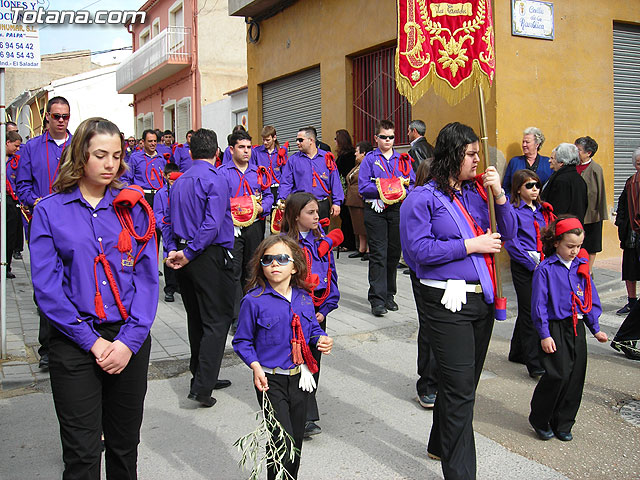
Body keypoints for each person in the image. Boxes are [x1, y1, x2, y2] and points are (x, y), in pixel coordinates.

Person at [29, 117, 158, 478]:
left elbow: (148, 282)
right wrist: (94, 344)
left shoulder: (133, 207)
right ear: (80, 156)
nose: (109, 164)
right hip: (74, 341)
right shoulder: (49, 211)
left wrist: (128, 342)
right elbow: (48, 289)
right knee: (82, 453)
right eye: (100, 154)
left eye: (116, 155)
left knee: (123, 446)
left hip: (128, 340)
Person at [399, 122, 516, 479]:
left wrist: (500, 197)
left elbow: (507, 236)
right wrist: (469, 245)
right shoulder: (421, 198)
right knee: (462, 390)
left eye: (478, 153)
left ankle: (439, 442)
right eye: (470, 154)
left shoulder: (479, 193)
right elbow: (416, 250)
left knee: (463, 384)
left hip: (481, 301)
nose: (477, 160)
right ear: (451, 156)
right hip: (445, 302)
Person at [232, 235, 333, 480]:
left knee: (295, 441)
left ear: (295, 266)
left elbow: (312, 331)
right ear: (261, 265)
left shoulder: (304, 298)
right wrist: (255, 367)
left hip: (300, 378)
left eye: (281, 259)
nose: (274, 264)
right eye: (268, 260)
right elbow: (242, 342)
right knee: (282, 440)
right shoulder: (253, 301)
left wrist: (321, 339)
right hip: (270, 380)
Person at [162, 128, 235, 407]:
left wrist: (173, 250)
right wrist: (190, 252)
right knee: (218, 318)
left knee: (197, 318)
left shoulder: (180, 180)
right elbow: (212, 223)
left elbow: (167, 219)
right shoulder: (215, 178)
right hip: (205, 254)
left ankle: (203, 374)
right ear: (218, 153)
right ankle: (202, 387)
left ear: (190, 153)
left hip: (186, 254)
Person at [529, 216, 608, 441]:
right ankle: (540, 419)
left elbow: (590, 299)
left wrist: (595, 327)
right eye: (570, 246)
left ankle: (563, 422)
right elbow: (539, 305)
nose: (575, 251)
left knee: (575, 377)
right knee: (557, 375)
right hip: (555, 327)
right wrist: (544, 334)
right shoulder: (545, 269)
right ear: (556, 243)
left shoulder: (581, 267)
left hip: (577, 326)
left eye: (579, 246)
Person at [16, 95, 73, 369]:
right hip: (42, 226)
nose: (61, 121)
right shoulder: (30, 149)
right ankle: (47, 349)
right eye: (56, 116)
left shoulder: (78, 146)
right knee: (46, 285)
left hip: (75, 225)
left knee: (76, 282)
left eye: (65, 117)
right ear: (47, 118)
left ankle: (73, 341)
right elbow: (22, 187)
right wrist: (35, 201)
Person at [282, 192, 341, 438]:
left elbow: (332, 278)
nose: (317, 216)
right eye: (311, 212)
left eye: (318, 211)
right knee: (296, 361)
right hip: (294, 314)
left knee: (313, 362)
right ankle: (302, 416)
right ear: (296, 216)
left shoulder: (322, 242)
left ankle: (304, 412)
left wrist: (325, 309)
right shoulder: (284, 245)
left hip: (317, 313)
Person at [359, 119, 415, 316]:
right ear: (376, 138)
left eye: (391, 137)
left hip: (397, 210)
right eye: (383, 137)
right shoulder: (369, 160)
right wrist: (388, 188)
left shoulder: (403, 160)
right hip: (375, 210)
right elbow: (363, 187)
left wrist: (397, 190)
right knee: (378, 255)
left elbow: (412, 184)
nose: (388, 140)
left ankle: (389, 294)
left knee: (393, 255)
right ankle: (377, 299)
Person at [218, 130, 273, 327]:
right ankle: (236, 316)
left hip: (255, 226)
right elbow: (217, 200)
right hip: (231, 228)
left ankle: (252, 313)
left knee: (253, 269)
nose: (246, 151)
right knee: (233, 271)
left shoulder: (259, 172)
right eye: (241, 147)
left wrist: (262, 207)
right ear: (231, 149)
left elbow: (269, 195)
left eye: (249, 147)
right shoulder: (222, 173)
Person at [504, 170, 555, 378]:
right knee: (530, 311)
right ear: (518, 189)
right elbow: (510, 241)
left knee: (534, 308)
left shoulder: (544, 210)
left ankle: (517, 351)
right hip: (525, 266)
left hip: (543, 265)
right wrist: (530, 262)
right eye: (529, 185)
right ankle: (534, 363)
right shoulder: (513, 211)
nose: (535, 189)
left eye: (537, 185)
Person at [278, 126, 344, 221]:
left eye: (300, 140)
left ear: (311, 140)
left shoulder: (326, 157)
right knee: (302, 235)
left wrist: (337, 203)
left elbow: (335, 181)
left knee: (321, 235)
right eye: (297, 140)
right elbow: (286, 183)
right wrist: (282, 201)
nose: (297, 143)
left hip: (322, 205)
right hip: (301, 205)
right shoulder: (293, 160)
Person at [575, 136, 608, 273]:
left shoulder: (595, 169)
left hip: (592, 214)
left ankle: (588, 271)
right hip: (577, 213)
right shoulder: (572, 166)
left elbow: (601, 193)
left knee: (591, 245)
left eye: (578, 150)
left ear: (588, 153)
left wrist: (600, 214)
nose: (575, 152)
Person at [614, 147, 640, 315]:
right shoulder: (630, 182)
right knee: (630, 269)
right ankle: (631, 301)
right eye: (638, 163)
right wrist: (622, 222)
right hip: (631, 232)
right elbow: (622, 204)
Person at [153, 162, 182, 302]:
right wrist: (164, 225)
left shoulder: (184, 191)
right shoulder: (161, 194)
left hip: (181, 230)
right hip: (168, 229)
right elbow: (157, 214)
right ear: (165, 177)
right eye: (170, 178)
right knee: (169, 257)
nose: (173, 180)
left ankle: (180, 286)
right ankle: (169, 288)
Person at [541, 143, 588, 224]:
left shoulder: (561, 180)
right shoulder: (579, 179)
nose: (549, 161)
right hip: (576, 227)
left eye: (553, 158)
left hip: (563, 229)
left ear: (561, 162)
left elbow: (557, 209)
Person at [122, 129, 167, 210]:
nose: (153, 144)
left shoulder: (161, 159)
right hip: (142, 197)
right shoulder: (135, 158)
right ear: (143, 141)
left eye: (155, 141)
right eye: (150, 141)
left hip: (158, 197)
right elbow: (126, 178)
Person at [502, 127, 553, 192]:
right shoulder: (514, 162)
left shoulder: (547, 163)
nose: (524, 145)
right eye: (523, 142)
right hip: (517, 201)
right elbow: (506, 187)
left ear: (537, 144)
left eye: (527, 142)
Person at [346, 141, 373, 260]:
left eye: (357, 151)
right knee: (357, 226)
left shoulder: (368, 165)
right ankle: (361, 248)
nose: (355, 154)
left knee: (364, 225)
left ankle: (369, 249)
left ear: (364, 153)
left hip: (361, 200)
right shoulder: (357, 165)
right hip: (353, 200)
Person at [252, 125, 287, 204]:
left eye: (267, 140)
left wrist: (283, 193)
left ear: (274, 138)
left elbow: (285, 174)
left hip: (277, 188)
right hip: (263, 189)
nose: (265, 142)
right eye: (263, 140)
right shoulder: (256, 151)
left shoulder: (281, 152)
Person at [335, 129, 357, 251]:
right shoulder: (343, 155)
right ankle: (344, 242)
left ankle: (348, 243)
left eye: (336, 139)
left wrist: (343, 192)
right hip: (343, 190)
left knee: (347, 218)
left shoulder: (347, 156)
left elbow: (344, 175)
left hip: (346, 191)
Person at [5, 131, 22, 278]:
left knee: (10, 235)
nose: (17, 149)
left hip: (11, 200)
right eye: (15, 146)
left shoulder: (17, 161)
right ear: (7, 142)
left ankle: (6, 266)